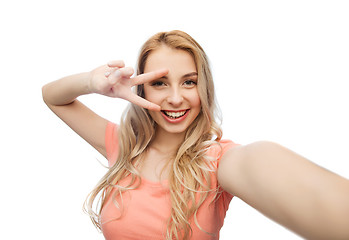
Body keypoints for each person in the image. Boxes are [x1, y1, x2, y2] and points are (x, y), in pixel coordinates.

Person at [42, 30, 349, 240]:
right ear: (141, 88)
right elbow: (52, 96)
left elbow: (259, 163)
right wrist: (93, 83)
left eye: (188, 82)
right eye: (160, 83)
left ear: (203, 89)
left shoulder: (218, 162)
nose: (175, 98)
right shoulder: (123, 146)